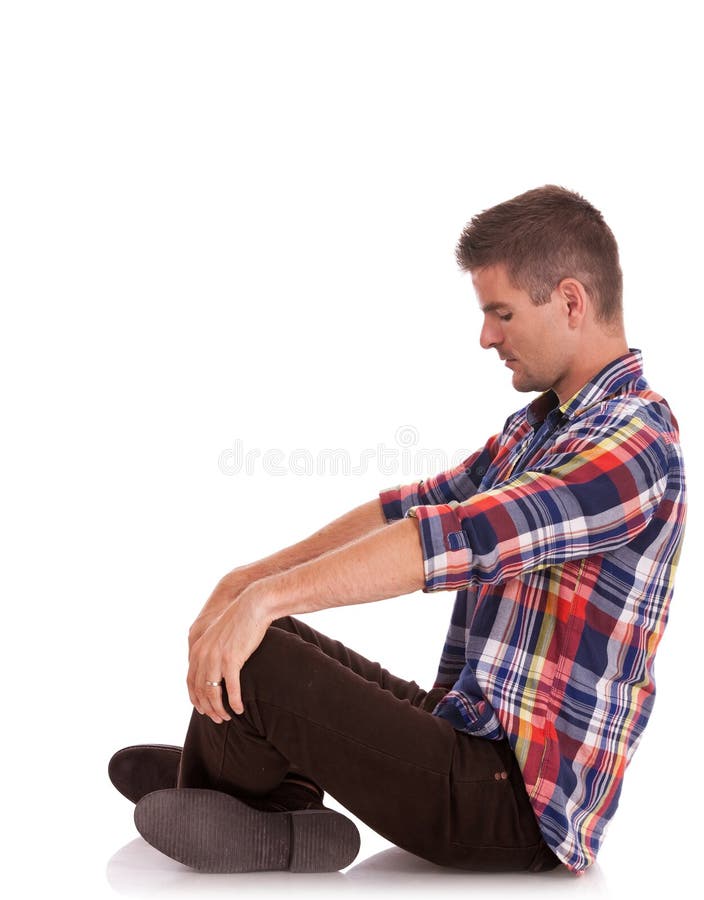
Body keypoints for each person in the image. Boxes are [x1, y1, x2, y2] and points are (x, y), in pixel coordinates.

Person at [109, 185, 686, 876]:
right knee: (270, 632)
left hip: (515, 803)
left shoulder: (635, 444)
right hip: (465, 731)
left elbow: (460, 536)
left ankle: (226, 782)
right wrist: (250, 581)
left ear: (570, 301)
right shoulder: (539, 429)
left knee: (259, 652)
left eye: (501, 313)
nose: (487, 336)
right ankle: (267, 793)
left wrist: (266, 599)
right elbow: (407, 510)